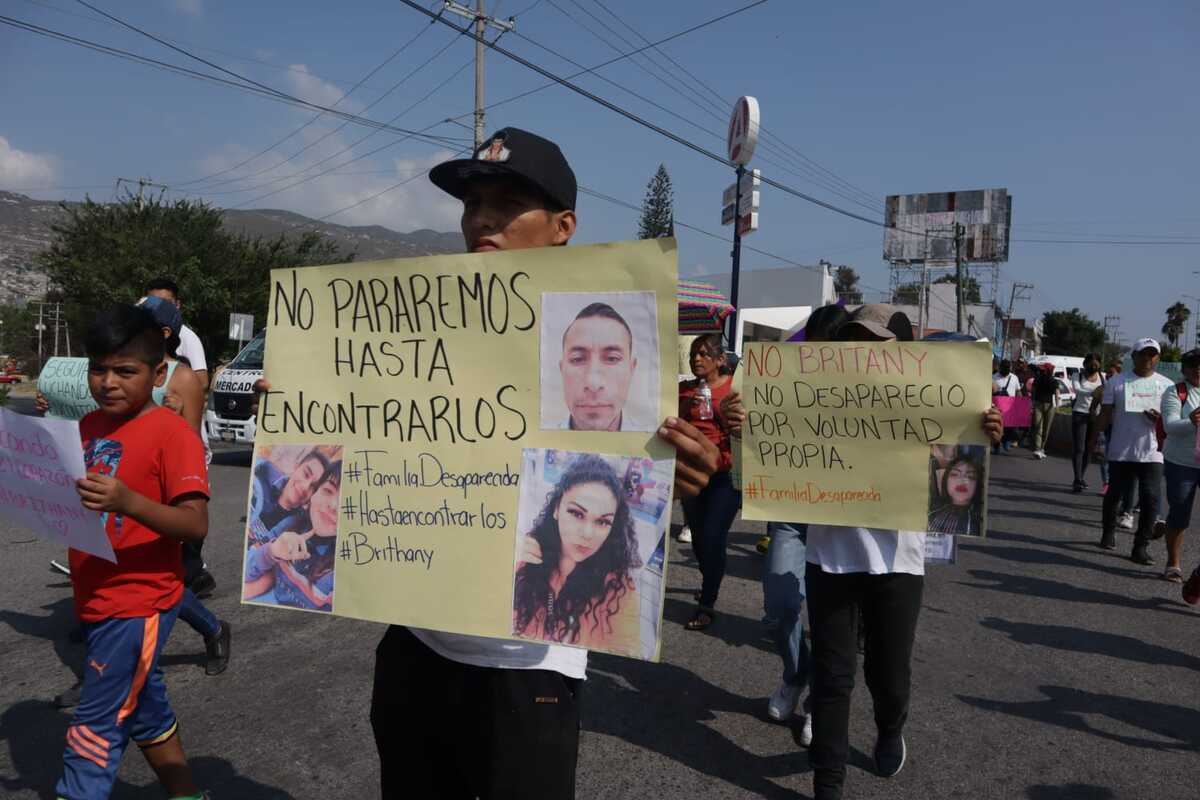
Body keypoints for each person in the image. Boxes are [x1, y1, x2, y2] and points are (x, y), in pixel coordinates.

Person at [245, 126, 722, 799]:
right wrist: (296, 414)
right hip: (415, 647)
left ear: (563, 227)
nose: (483, 218)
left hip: (527, 670)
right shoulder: (408, 331)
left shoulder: (592, 356)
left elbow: (621, 488)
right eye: (472, 204)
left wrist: (688, 475)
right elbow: (358, 453)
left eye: (508, 201)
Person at [799, 304, 1003, 800]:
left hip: (897, 564)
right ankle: (828, 784)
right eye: (854, 342)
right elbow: (766, 460)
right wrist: (746, 425)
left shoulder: (929, 402)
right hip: (829, 557)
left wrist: (981, 434)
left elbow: (952, 492)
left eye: (875, 344)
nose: (863, 352)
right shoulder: (813, 398)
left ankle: (890, 727)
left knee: (888, 675)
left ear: (901, 356)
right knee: (832, 676)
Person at [57, 303, 210, 800]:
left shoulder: (173, 434)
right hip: (94, 596)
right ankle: (188, 795)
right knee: (146, 710)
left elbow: (194, 523)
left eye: (126, 371)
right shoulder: (85, 427)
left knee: (95, 727)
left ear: (158, 372)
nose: (108, 382)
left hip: (138, 602)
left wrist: (130, 502)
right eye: (98, 369)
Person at [138, 295, 231, 676]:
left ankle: (115, 674)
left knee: (157, 580)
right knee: (150, 578)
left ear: (162, 333)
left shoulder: (183, 378)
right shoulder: (132, 370)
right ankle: (212, 628)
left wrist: (164, 419)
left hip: (165, 493)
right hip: (127, 485)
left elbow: (187, 446)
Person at [512, 454, 642, 655]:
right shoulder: (525, 558)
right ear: (556, 509)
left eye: (603, 521)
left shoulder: (617, 591)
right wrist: (500, 558)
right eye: (577, 513)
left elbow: (628, 647)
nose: (587, 534)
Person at [1088, 338, 1175, 563]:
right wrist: (1095, 439)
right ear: (1133, 357)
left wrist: (1160, 418)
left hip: (1153, 451)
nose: (1148, 358)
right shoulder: (1117, 382)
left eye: (1152, 354)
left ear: (1157, 357)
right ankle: (1108, 531)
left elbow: (1172, 419)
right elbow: (1106, 413)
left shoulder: (1166, 385)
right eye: (1143, 354)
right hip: (1121, 449)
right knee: (1114, 495)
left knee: (1151, 498)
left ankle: (1140, 546)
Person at [678, 333, 739, 632]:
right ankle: (709, 578)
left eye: (703, 354)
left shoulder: (733, 390)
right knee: (700, 539)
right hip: (692, 475)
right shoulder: (682, 391)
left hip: (725, 477)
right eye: (692, 354)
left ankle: (707, 602)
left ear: (719, 359)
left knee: (714, 536)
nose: (696, 359)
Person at [244, 460, 342, 611]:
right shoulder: (291, 524)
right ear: (313, 497)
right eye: (328, 491)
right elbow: (247, 569)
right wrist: (271, 551)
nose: (334, 506)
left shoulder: (337, 572)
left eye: (347, 502)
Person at [554, 302, 639, 431]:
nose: (593, 383)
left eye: (612, 358)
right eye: (577, 359)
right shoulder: (532, 440)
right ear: (562, 370)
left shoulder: (658, 442)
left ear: (631, 369)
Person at [1154, 347, 1200, 582]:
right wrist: (1191, 421)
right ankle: (1173, 563)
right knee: (1180, 513)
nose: (1198, 369)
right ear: (1184, 369)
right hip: (1182, 463)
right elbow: (1170, 427)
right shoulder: (1176, 392)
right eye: (1194, 365)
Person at [144, 278, 208, 392]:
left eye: (165, 303)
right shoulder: (135, 335)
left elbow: (202, 382)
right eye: (152, 302)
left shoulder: (189, 338)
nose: (158, 307)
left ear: (177, 304)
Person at [1069, 355, 1105, 492]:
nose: (1094, 367)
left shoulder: (1103, 378)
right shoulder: (1077, 376)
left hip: (1095, 416)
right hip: (1080, 413)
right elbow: (1078, 390)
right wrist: (1095, 392)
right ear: (1085, 364)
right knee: (1079, 448)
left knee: (1089, 449)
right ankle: (1077, 478)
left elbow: (1105, 393)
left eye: (1096, 365)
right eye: (1091, 364)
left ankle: (1081, 477)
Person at [927, 452, 985, 535]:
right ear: (945, 480)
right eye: (954, 474)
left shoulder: (979, 523)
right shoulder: (931, 515)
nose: (962, 480)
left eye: (971, 476)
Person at [1030, 362, 1058, 459]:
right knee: (1044, 428)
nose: (1041, 370)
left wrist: (1032, 401)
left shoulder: (1039, 378)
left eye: (1043, 369)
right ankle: (1039, 449)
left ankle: (1041, 449)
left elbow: (1033, 390)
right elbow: (1057, 393)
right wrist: (1057, 405)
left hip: (1040, 404)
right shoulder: (1053, 380)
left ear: (1046, 370)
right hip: (1049, 406)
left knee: (1040, 427)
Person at [991, 359, 1018, 454]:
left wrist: (1020, 403)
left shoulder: (1014, 378)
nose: (1006, 370)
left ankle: (1006, 441)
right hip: (997, 407)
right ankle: (996, 446)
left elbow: (1018, 391)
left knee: (1009, 427)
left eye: (1008, 368)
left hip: (1010, 407)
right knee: (997, 426)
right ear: (1000, 367)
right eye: (1004, 368)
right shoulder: (994, 377)